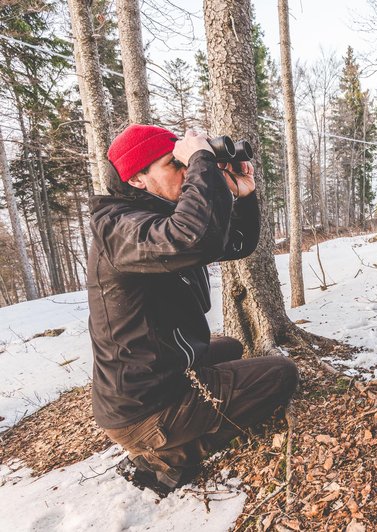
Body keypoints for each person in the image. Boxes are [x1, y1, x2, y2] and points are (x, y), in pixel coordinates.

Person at [87, 124, 299, 497]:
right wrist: (201, 158)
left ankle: (179, 424)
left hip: (160, 372)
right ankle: (171, 454)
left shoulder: (157, 217)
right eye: (176, 164)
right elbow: (190, 238)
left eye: (186, 162)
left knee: (231, 346)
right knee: (280, 373)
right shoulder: (120, 228)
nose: (187, 171)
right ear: (138, 179)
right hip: (146, 407)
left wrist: (242, 196)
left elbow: (230, 243)